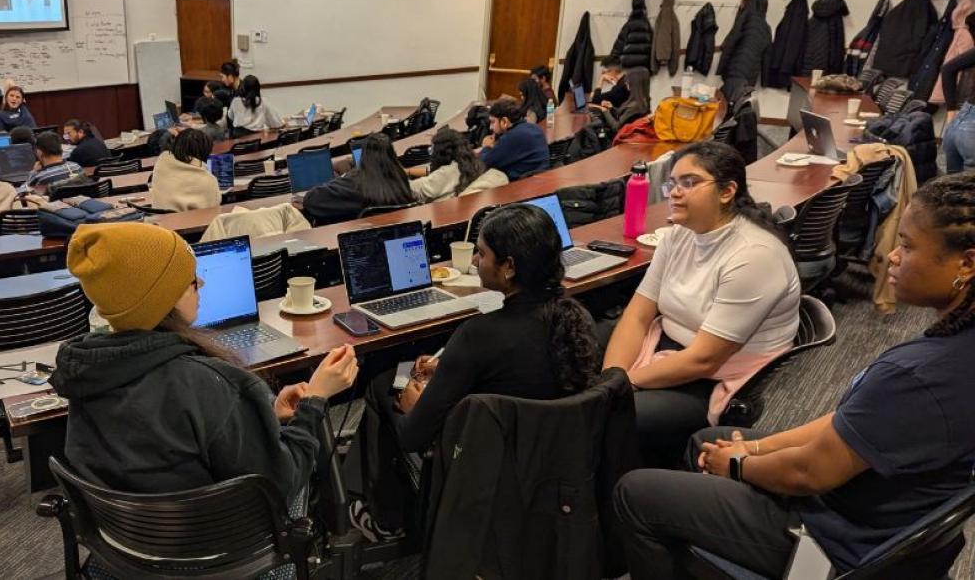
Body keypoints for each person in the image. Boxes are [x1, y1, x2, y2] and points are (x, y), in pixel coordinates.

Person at [614, 171, 975, 579]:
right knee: (705, 441)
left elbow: (809, 473)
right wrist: (752, 451)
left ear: (966, 262)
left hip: (836, 539)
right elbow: (848, 426)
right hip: (880, 513)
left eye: (907, 246)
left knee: (634, 493)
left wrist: (737, 466)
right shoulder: (954, 351)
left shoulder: (917, 376)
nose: (892, 255)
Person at [49, 222, 359, 500]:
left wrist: (262, 417)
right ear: (163, 299)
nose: (202, 284)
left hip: (128, 549)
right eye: (191, 281)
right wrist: (315, 401)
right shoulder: (211, 384)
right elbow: (282, 482)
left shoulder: (85, 373)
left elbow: (167, 450)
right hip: (213, 550)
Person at [345, 204, 601, 538]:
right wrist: (450, 367)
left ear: (509, 267)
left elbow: (411, 436)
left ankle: (387, 515)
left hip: (486, 465)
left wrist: (412, 406)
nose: (476, 262)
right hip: (554, 468)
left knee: (382, 386)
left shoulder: (478, 335)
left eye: (481, 254)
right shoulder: (578, 320)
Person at [602, 142, 800, 468]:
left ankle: (619, 495)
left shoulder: (754, 256)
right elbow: (638, 315)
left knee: (609, 417)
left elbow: (703, 360)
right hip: (666, 345)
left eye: (689, 183)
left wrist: (621, 386)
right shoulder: (678, 233)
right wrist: (613, 376)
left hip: (710, 379)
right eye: (673, 183)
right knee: (569, 350)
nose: (675, 192)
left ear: (727, 192)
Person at [303, 132, 414, 225]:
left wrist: (344, 178)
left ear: (363, 157)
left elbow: (310, 199)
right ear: (392, 155)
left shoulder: (355, 183)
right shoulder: (401, 179)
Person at [409, 127, 507, 202]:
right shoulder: (471, 162)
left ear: (441, 152)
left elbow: (415, 189)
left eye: (432, 150)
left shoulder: (448, 172)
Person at [151, 128, 222, 212]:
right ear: (206, 152)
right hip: (188, 223)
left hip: (158, 222)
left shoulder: (161, 163)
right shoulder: (208, 181)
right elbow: (212, 212)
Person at [478, 99, 549, 181]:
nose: (491, 127)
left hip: (522, 185)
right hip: (539, 179)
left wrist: (486, 147)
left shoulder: (511, 137)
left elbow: (484, 163)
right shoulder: (534, 127)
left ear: (504, 121)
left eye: (493, 122)